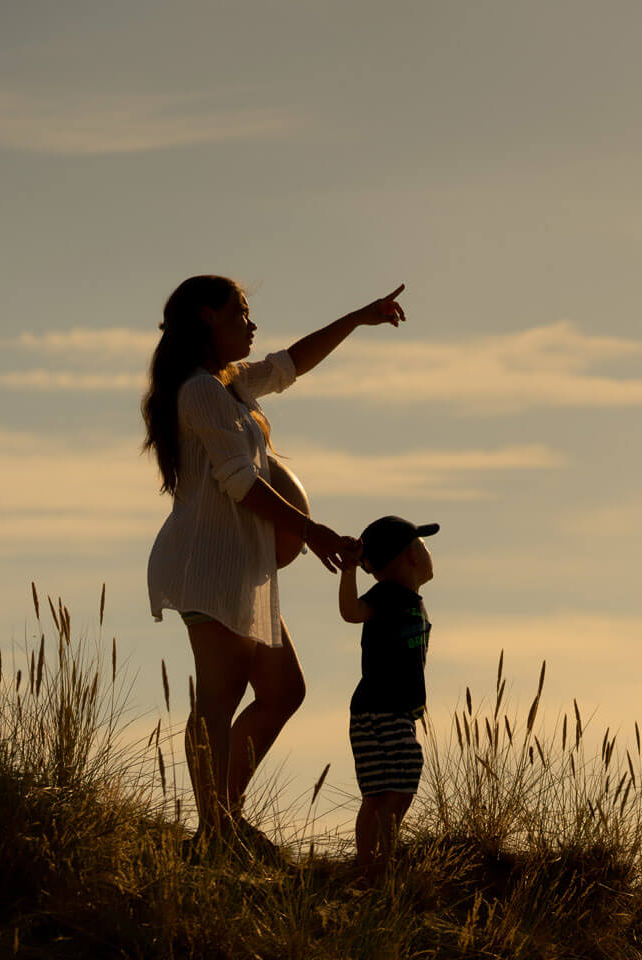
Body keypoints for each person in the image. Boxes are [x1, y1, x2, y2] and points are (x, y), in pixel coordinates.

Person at [143, 274, 406, 857]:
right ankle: (214, 830)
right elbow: (239, 482)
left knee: (283, 690)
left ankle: (221, 821)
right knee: (220, 694)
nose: (251, 323)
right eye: (241, 311)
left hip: (243, 565)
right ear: (208, 316)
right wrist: (309, 530)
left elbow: (289, 365)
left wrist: (357, 317)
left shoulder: (229, 384)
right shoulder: (199, 391)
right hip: (210, 563)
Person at [338, 515, 438, 877]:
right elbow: (351, 612)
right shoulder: (387, 595)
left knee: (380, 790)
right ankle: (379, 862)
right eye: (423, 545)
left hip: (386, 709)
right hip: (381, 708)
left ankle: (374, 865)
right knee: (399, 778)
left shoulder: (410, 599)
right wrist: (348, 569)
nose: (428, 553)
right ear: (410, 555)